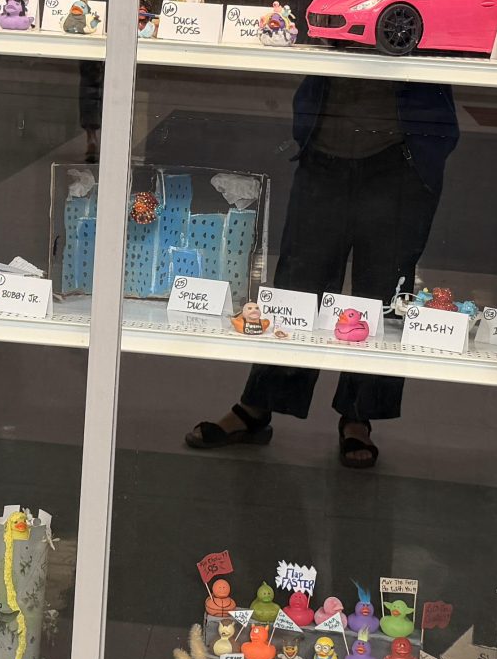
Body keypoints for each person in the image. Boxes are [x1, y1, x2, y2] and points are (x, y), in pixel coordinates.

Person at [185, 72, 457, 468]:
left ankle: (358, 415)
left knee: (380, 292)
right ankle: (259, 403)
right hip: (326, 145)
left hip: (402, 154)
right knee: (297, 283)